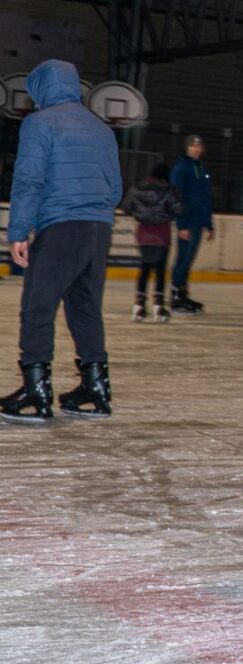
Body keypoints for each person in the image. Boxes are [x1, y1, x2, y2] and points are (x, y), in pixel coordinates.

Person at [1, 59, 121, 423]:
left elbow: (29, 180)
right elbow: (115, 186)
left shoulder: (39, 123)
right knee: (85, 306)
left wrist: (18, 231)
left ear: (40, 88)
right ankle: (95, 388)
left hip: (61, 225)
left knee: (38, 305)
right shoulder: (102, 128)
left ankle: (36, 391)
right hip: (99, 229)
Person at [122, 162, 183, 322]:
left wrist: (140, 214)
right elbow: (179, 208)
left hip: (144, 232)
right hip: (162, 233)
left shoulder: (136, 188)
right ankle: (159, 304)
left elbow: (126, 207)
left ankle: (139, 304)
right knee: (160, 269)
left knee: (144, 268)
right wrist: (167, 215)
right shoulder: (169, 190)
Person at [170, 134, 214, 313]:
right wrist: (182, 225)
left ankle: (183, 293)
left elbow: (205, 198)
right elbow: (177, 197)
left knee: (188, 260)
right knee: (182, 259)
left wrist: (209, 224)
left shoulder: (201, 168)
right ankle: (176, 295)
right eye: (192, 146)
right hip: (187, 222)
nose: (196, 149)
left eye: (198, 146)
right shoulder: (181, 169)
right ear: (187, 148)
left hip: (198, 222)